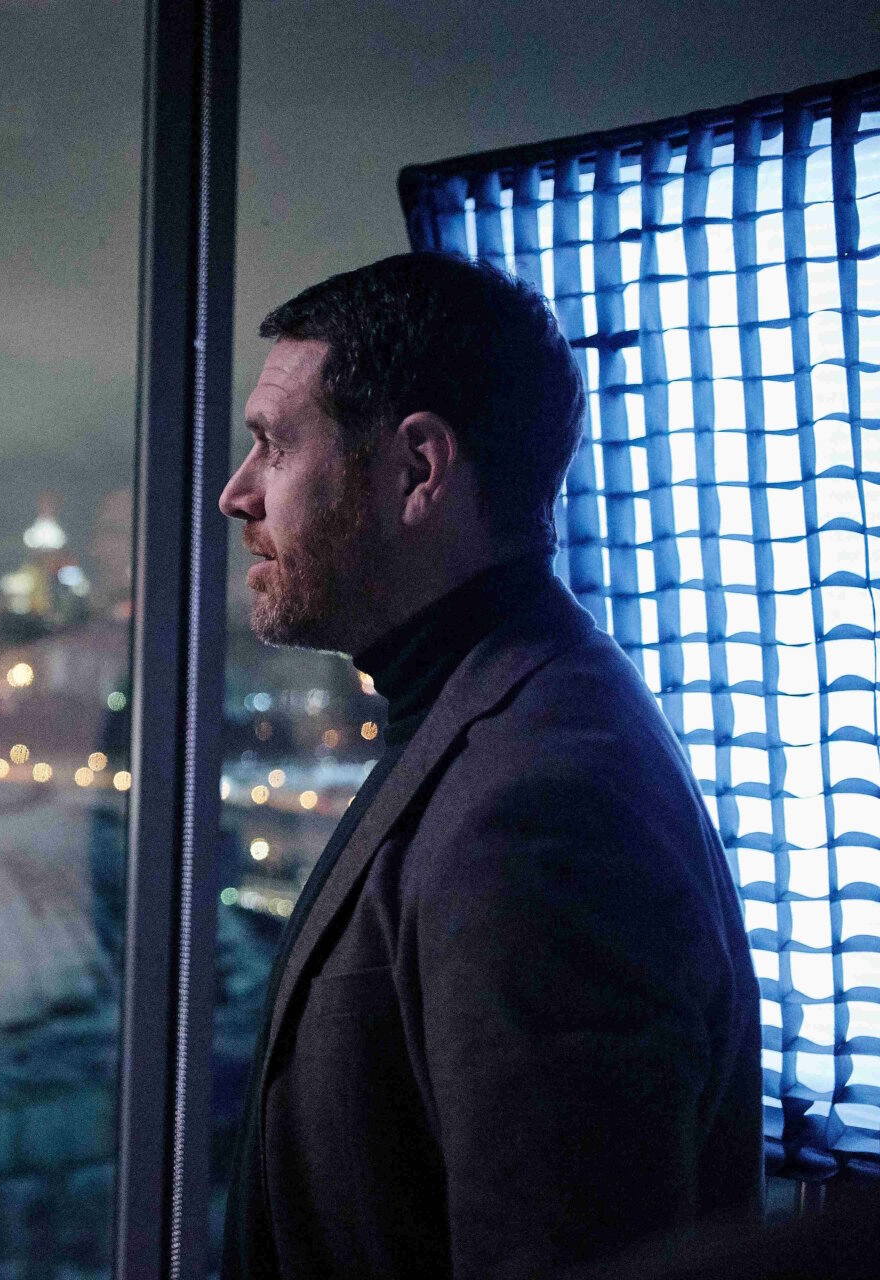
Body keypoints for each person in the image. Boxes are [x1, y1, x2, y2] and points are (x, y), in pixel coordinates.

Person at [217, 254, 762, 1279]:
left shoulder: (543, 802)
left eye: (274, 445)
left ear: (419, 469)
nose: (235, 493)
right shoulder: (490, 718)